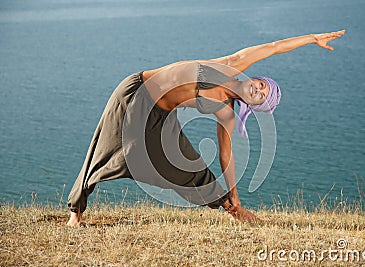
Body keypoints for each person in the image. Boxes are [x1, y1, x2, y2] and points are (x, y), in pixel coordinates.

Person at [67, 30, 346, 227]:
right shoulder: (232, 64)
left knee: (190, 167)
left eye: (262, 96)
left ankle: (230, 209)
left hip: (160, 115)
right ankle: (76, 213)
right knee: (102, 149)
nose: (258, 90)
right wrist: (312, 38)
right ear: (256, 79)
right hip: (135, 92)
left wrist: (235, 198)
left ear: (254, 106)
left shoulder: (227, 113)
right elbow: (273, 47)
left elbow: (227, 157)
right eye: (262, 85)